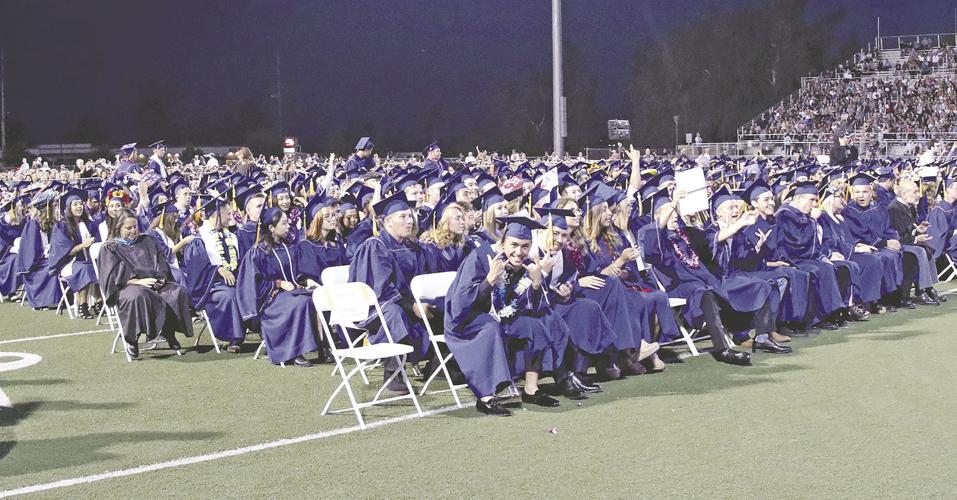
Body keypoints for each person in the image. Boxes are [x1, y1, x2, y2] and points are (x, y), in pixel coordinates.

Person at [444, 216, 567, 416]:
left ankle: (531, 389)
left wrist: (537, 283)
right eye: (514, 245)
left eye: (525, 246)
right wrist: (489, 280)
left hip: (502, 316)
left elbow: (527, 304)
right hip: (467, 319)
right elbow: (460, 303)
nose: (519, 252)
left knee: (535, 324)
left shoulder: (526, 264)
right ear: (502, 242)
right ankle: (486, 398)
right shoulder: (480, 257)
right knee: (490, 328)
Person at [349, 192, 430, 392]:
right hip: (375, 306)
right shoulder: (375, 246)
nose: (409, 221)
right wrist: (411, 305)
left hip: (406, 303)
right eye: (403, 217)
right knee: (395, 313)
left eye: (410, 216)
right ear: (387, 222)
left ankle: (439, 365)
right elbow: (381, 288)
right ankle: (394, 372)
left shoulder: (412, 248)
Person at [96, 208, 194, 359]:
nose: (133, 231)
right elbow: (111, 277)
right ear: (118, 228)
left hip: (153, 283)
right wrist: (137, 281)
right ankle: (132, 340)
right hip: (127, 287)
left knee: (177, 291)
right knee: (138, 295)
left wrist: (160, 278)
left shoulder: (148, 241)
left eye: (135, 227)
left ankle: (169, 332)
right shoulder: (110, 248)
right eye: (128, 228)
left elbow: (161, 263)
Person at [236, 207, 320, 367]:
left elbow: (297, 273)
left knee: (315, 297)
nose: (288, 226)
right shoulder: (258, 252)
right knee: (300, 303)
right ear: (271, 227)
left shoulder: (289, 247)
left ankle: (324, 347)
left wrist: (306, 281)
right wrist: (278, 283)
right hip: (270, 301)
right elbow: (254, 285)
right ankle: (294, 352)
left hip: (292, 293)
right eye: (284, 223)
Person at [182, 193, 247, 353]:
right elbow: (196, 270)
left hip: (234, 281)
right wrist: (217, 269)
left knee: (249, 291)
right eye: (228, 214)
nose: (231, 217)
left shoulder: (232, 236)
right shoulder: (199, 239)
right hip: (210, 286)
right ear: (216, 214)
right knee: (230, 296)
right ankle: (234, 338)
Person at [48, 188, 101, 319]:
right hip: (69, 262)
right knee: (84, 268)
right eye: (75, 204)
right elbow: (63, 252)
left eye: (80, 204)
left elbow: (98, 243)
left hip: (88, 260)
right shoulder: (61, 226)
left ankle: (99, 302)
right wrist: (83, 245)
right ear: (68, 208)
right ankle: (83, 305)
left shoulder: (90, 224)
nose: (79, 207)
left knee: (99, 266)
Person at [887, 180, 942, 305]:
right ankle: (921, 290)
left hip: (906, 241)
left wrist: (917, 230)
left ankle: (929, 287)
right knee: (920, 251)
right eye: (915, 192)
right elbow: (898, 235)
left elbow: (908, 230)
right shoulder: (894, 208)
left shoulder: (909, 207)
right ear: (904, 194)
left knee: (928, 249)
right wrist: (916, 239)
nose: (918, 194)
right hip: (896, 244)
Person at [16, 192, 63, 310]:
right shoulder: (33, 224)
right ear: (47, 208)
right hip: (36, 263)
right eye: (54, 205)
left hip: (49, 256)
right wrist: (46, 253)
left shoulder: (53, 222)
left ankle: (62, 298)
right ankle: (43, 301)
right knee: (53, 267)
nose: (56, 208)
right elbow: (31, 250)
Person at [296, 193, 348, 286]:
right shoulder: (306, 245)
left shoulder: (337, 245)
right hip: (317, 290)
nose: (333, 219)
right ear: (317, 220)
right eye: (327, 216)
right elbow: (308, 274)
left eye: (333, 215)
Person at [0, 196, 24, 300]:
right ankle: (11, 292)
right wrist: (10, 249)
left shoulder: (21, 222)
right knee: (15, 260)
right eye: (20, 207)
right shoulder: (1, 224)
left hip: (19, 251)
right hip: (3, 256)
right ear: (12, 209)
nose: (22, 208)